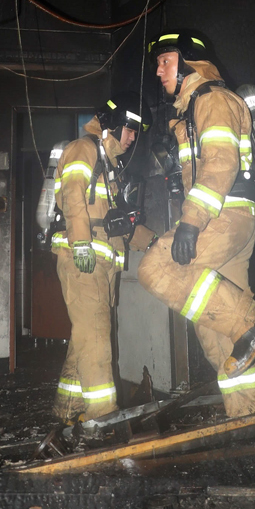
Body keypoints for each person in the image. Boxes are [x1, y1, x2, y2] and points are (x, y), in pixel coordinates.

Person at [137, 32, 255, 417]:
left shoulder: (212, 99)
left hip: (222, 216)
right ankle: (249, 420)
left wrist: (190, 222)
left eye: (167, 60)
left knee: (155, 268)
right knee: (216, 335)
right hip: (232, 218)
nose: (159, 69)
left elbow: (220, 162)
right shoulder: (190, 110)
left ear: (190, 62)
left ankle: (250, 322)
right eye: (158, 63)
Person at [51, 99, 146, 424]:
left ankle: (69, 409)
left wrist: (159, 243)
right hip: (83, 258)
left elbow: (119, 223)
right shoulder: (84, 148)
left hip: (101, 262)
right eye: (130, 130)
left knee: (85, 338)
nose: (133, 138)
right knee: (95, 336)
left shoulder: (110, 168)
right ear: (112, 126)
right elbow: (73, 193)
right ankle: (103, 417)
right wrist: (80, 242)